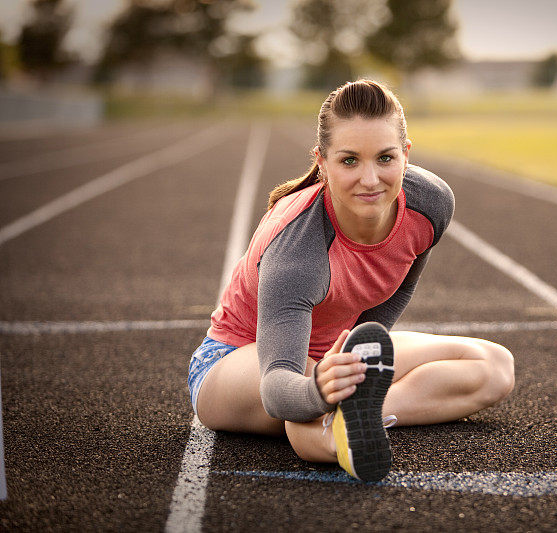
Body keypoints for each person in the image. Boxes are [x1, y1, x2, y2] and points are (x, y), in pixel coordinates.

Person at [187, 79, 515, 481]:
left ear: (406, 155)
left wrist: (362, 352)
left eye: (385, 158)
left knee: (494, 366)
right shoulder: (297, 254)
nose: (371, 179)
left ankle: (362, 414)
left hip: (331, 352)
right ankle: (337, 431)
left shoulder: (430, 204)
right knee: (302, 407)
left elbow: (401, 282)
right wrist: (320, 391)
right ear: (322, 162)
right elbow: (277, 389)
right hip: (241, 361)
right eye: (349, 161)